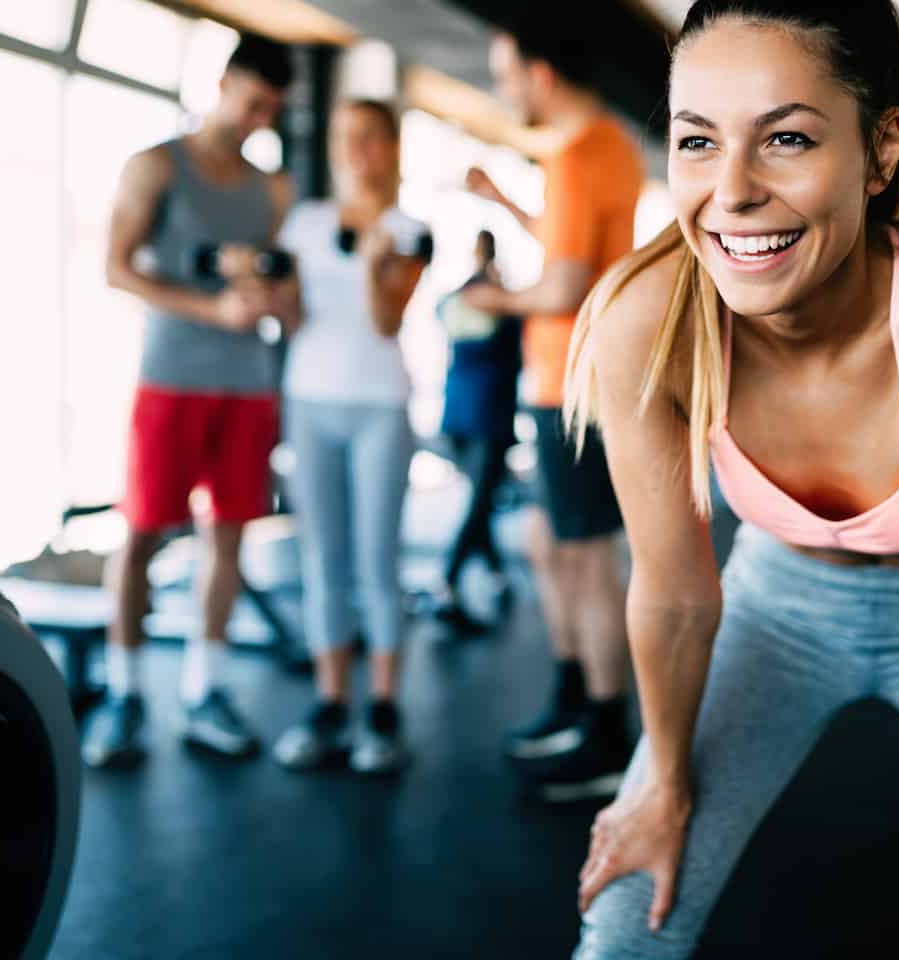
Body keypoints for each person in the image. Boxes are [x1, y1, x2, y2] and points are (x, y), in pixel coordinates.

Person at [562, 2, 899, 958]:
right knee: (621, 927)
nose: (730, 192)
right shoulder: (642, 323)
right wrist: (659, 783)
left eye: (788, 139)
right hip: (774, 610)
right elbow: (679, 599)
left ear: (882, 146)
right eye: (698, 141)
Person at [85, 32, 298, 768]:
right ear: (226, 81)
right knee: (142, 534)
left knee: (230, 539)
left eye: (272, 111)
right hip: (171, 378)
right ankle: (124, 693)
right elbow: (115, 269)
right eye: (254, 103)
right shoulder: (154, 166)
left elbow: (277, 283)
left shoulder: (272, 190)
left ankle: (205, 689)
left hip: (246, 387)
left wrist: (269, 294)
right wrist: (213, 311)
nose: (259, 120)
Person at [464, 27, 646, 800]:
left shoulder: (576, 156)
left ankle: (607, 734)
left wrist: (487, 298)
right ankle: (576, 702)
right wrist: (506, 202)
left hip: (576, 385)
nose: (505, 88)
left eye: (508, 74)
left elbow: (564, 288)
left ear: (541, 71)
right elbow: (573, 251)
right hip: (567, 383)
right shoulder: (601, 148)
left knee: (588, 555)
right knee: (553, 543)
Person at [270, 99, 430, 774]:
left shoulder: (410, 230)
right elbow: (292, 314)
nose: (356, 151)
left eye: (369, 138)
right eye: (344, 137)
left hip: (379, 405)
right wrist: (265, 285)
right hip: (310, 399)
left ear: (391, 147)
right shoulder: (305, 223)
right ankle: (332, 701)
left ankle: (384, 709)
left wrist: (371, 265)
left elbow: (387, 322)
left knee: (375, 560)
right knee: (321, 559)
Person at [432, 230, 522, 629]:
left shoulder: (455, 299)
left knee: (481, 499)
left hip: (459, 410)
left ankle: (496, 574)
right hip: (488, 412)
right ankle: (446, 583)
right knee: (480, 501)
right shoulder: (498, 300)